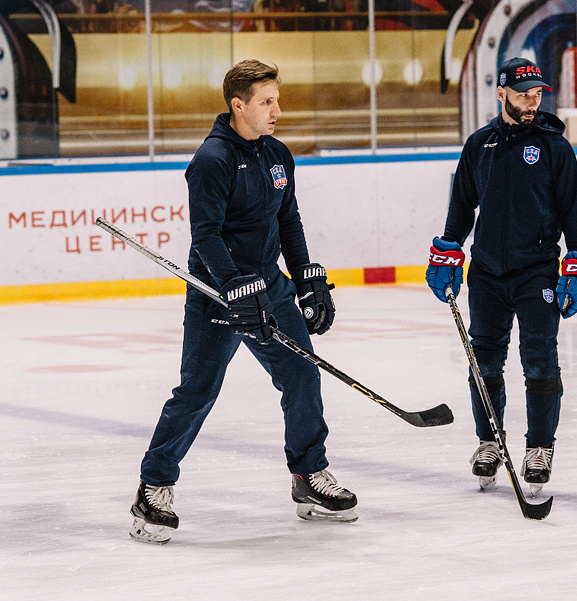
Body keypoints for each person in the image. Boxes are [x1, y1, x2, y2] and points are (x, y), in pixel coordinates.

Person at [129, 59, 357, 544]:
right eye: (266, 102)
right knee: (198, 391)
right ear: (238, 105)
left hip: (270, 289)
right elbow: (206, 236)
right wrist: (233, 283)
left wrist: (306, 278)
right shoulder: (211, 161)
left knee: (301, 374)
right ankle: (154, 487)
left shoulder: (277, 155)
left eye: (277, 99)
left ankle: (308, 475)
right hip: (218, 294)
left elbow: (288, 221)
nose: (278, 110)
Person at [426, 57, 577, 497]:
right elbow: (463, 204)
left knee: (540, 361)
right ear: (501, 93)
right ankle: (489, 442)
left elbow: (572, 212)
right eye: (523, 94)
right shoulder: (479, 144)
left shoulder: (555, 147)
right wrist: (448, 250)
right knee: (484, 363)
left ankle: (539, 447)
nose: (532, 101)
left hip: (536, 271)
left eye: (538, 94)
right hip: (486, 273)